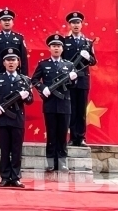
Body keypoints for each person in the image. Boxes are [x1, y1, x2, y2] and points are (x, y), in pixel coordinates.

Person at [0, 47, 34, 188]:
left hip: (17, 119)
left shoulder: (25, 80)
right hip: (3, 119)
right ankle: (5, 177)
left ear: (18, 62)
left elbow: (30, 100)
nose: (11, 62)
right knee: (5, 150)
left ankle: (16, 177)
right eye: (8, 60)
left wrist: (26, 96)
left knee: (17, 150)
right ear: (3, 63)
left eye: (13, 60)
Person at [31, 34, 78, 172]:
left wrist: (73, 79)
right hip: (50, 104)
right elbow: (34, 80)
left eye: (58, 46)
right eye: (53, 46)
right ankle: (51, 162)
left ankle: (62, 162)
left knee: (62, 134)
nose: (56, 48)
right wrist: (42, 88)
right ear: (49, 48)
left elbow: (73, 86)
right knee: (51, 134)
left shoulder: (69, 65)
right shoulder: (43, 64)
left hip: (64, 104)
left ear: (62, 49)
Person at [62, 11, 97, 146]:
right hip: (69, 80)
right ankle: (72, 138)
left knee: (81, 110)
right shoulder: (65, 42)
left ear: (82, 24)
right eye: (73, 23)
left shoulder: (87, 42)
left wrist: (88, 57)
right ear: (69, 25)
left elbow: (93, 62)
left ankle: (81, 138)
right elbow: (61, 62)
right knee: (71, 109)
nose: (75, 25)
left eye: (78, 22)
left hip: (83, 81)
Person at [0, 9, 28, 75]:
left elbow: (24, 58)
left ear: (13, 22)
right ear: (0, 22)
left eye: (9, 20)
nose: (7, 22)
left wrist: (24, 75)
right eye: (4, 20)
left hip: (16, 73)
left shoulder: (19, 38)